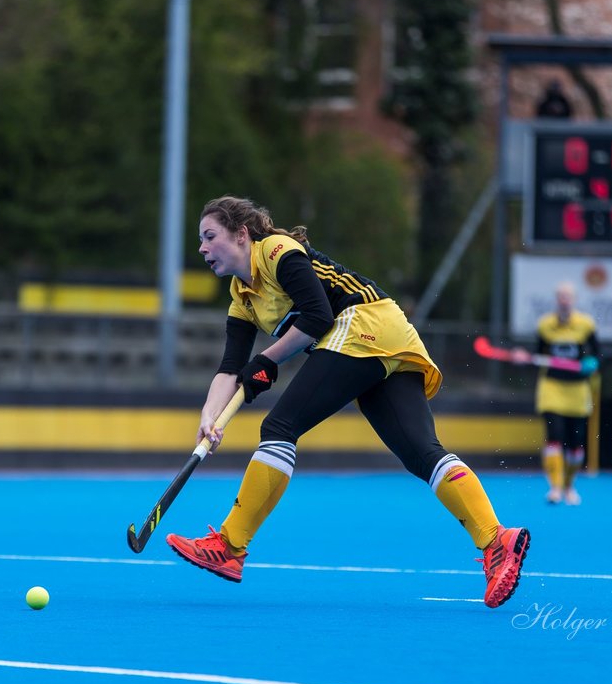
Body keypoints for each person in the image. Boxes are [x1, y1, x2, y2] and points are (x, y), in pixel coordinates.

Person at [164, 196, 530, 609]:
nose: (202, 248)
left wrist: (267, 360)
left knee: (279, 428)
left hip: (363, 326)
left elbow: (318, 317)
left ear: (242, 235)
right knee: (422, 454)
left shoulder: (277, 251)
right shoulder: (242, 297)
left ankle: (230, 546)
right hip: (388, 340)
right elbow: (230, 368)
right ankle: (496, 538)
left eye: (209, 237)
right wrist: (210, 416)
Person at [513, 282, 600, 505]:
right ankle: (555, 488)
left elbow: (598, 355)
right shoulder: (545, 326)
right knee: (554, 436)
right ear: (556, 300)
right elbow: (537, 355)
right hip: (551, 389)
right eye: (560, 296)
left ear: (574, 300)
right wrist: (524, 358)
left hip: (578, 391)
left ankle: (569, 486)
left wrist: (592, 363)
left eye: (568, 297)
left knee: (575, 444)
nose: (564, 301)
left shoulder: (586, 325)